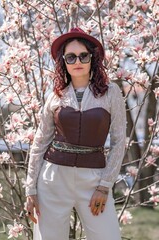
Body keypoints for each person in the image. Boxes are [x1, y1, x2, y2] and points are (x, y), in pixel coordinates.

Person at [25, 27, 126, 240]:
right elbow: (40, 142)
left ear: (92, 58)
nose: (77, 61)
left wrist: (105, 185)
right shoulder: (55, 96)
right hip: (53, 179)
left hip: (94, 180)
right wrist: (30, 189)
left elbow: (118, 142)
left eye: (83, 55)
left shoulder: (111, 93)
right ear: (63, 61)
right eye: (70, 57)